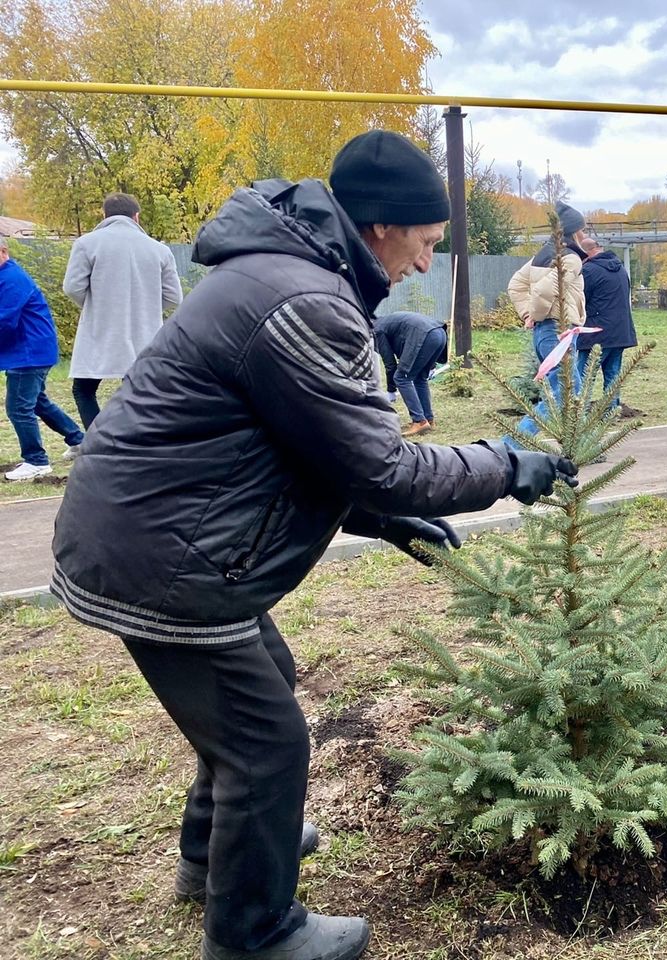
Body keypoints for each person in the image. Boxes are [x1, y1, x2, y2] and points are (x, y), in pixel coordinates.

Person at [50, 130, 577, 960]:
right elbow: (384, 462)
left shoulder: (289, 276)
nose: (426, 260)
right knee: (268, 745)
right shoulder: (304, 301)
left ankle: (211, 858)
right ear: (380, 228)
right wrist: (509, 466)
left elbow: (296, 444)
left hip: (157, 536)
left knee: (263, 688)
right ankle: (255, 934)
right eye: (427, 242)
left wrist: (376, 516)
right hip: (165, 558)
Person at [61, 192, 183, 429]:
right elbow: (174, 297)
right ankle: (142, 444)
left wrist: (98, 307)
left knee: (83, 391)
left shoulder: (86, 244)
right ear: (136, 217)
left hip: (100, 331)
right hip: (144, 334)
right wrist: (146, 308)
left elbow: (72, 287)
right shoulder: (159, 250)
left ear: (104, 215)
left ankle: (100, 446)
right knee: (145, 395)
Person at [1, 236, 84, 480]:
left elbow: (4, 321)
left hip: (29, 353)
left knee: (18, 407)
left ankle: (36, 460)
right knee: (38, 402)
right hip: (31, 351)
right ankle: (80, 441)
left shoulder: (11, 279)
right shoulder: (6, 276)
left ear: (3, 251)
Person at [505, 200, 588, 445]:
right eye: (582, 229)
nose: (584, 234)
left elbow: (516, 285)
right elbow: (544, 290)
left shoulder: (540, 257)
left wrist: (527, 316)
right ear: (574, 231)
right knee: (561, 394)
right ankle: (511, 444)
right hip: (557, 332)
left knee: (572, 391)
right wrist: (535, 315)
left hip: (546, 334)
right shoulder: (571, 259)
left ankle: (581, 444)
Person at [576, 237, 637, 411]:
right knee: (612, 374)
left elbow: (580, 299)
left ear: (585, 253)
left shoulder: (588, 271)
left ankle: (579, 412)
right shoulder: (620, 269)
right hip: (620, 332)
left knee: (585, 376)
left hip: (596, 333)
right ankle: (611, 411)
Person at [374, 311, 447, 436]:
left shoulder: (376, 331)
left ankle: (419, 421)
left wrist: (391, 390)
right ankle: (428, 419)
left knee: (401, 377)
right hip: (440, 333)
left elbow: (390, 364)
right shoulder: (385, 322)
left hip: (424, 335)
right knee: (420, 378)